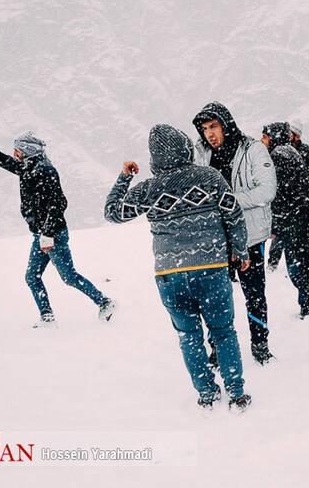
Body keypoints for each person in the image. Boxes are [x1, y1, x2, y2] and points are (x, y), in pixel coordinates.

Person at [104, 123, 251, 411]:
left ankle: (206, 394)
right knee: (223, 332)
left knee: (188, 336)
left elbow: (112, 213)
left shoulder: (148, 189)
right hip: (211, 268)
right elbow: (233, 215)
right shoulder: (210, 177)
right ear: (185, 148)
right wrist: (241, 250)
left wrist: (124, 178)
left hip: (170, 275)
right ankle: (236, 393)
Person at [0, 118, 114, 328]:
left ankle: (105, 302)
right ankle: (47, 317)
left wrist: (47, 233)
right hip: (41, 234)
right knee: (32, 277)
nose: (14, 155)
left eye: (17, 151)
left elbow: (59, 204)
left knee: (69, 277)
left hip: (53, 234)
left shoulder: (45, 170)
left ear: (27, 150)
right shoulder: (26, 167)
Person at [192, 102, 276, 365]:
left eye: (214, 126)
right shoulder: (200, 153)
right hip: (214, 240)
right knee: (214, 298)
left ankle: (260, 344)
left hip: (249, 237)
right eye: (205, 129)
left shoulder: (253, 149)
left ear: (225, 124)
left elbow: (266, 190)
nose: (210, 134)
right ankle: (217, 347)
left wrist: (227, 200)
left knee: (254, 294)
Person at [262, 122, 309, 318]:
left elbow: (281, 196)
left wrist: (274, 225)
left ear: (274, 137)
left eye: (265, 137)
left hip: (294, 223)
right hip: (302, 219)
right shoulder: (289, 152)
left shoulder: (278, 156)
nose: (262, 140)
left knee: (297, 267)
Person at [267, 120, 309, 271]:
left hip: (298, 203)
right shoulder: (281, 151)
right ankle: (273, 262)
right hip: (290, 204)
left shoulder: (305, 151)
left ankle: (307, 261)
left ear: (296, 136)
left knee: (302, 238)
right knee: (280, 236)